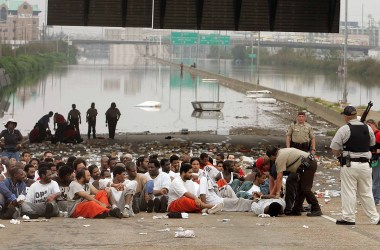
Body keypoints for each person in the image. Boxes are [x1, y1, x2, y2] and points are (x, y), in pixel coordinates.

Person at [330, 106, 380, 225]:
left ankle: (349, 217)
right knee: (366, 192)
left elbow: (334, 147)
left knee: (349, 191)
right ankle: (375, 218)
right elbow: (372, 143)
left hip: (349, 164)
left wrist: (339, 157)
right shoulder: (367, 128)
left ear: (346, 116)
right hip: (365, 165)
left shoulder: (344, 129)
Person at [267, 146, 322, 217]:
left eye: (270, 158)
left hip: (308, 165)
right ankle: (296, 209)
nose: (271, 160)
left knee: (305, 188)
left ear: (271, 156)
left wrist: (278, 193)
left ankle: (316, 208)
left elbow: (279, 177)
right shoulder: (282, 152)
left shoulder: (279, 158)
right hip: (307, 164)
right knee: (300, 188)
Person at [366, 119, 380, 206]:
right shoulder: (372, 135)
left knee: (376, 179)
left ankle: (375, 199)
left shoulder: (378, 134)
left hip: (377, 158)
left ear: (373, 124)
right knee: (375, 179)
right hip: (374, 158)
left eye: (369, 125)